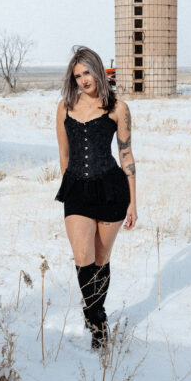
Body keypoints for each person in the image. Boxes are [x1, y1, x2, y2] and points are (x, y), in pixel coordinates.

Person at [55, 46, 137, 350]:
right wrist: (69, 185)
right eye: (77, 75)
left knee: (101, 260)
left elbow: (126, 154)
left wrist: (133, 201)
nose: (83, 80)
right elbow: (64, 154)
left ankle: (96, 313)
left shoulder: (118, 108)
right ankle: (97, 321)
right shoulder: (65, 107)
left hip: (112, 189)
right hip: (77, 190)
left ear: (98, 70)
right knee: (83, 259)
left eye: (87, 72)